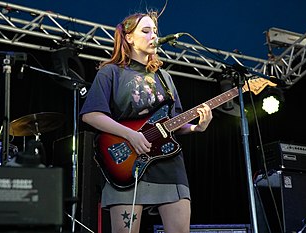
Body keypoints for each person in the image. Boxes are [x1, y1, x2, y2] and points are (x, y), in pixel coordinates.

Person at [80, 9, 213, 233]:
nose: (154, 36)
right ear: (129, 37)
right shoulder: (111, 73)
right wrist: (131, 134)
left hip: (169, 163)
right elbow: (91, 114)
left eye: (155, 31)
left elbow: (173, 123)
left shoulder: (165, 77)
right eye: (146, 31)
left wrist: (196, 127)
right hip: (127, 160)